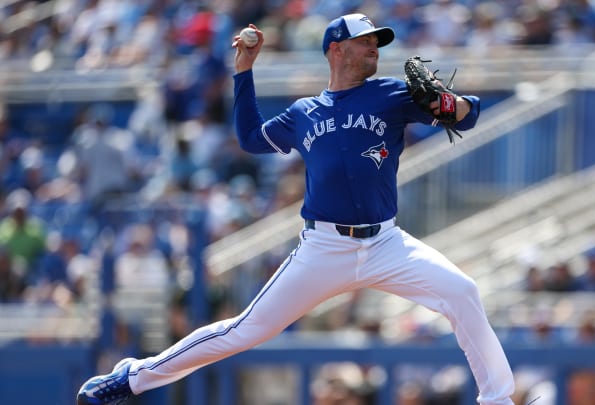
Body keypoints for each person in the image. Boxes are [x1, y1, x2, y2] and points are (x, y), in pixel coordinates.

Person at [76, 14, 515, 405]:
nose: (374, 48)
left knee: (462, 291)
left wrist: (448, 104)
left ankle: (498, 399)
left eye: (377, 43)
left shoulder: (391, 95)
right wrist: (244, 72)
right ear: (336, 49)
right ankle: (132, 378)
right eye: (365, 41)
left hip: (385, 241)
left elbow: (469, 114)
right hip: (324, 246)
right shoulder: (304, 112)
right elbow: (250, 139)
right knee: (245, 330)